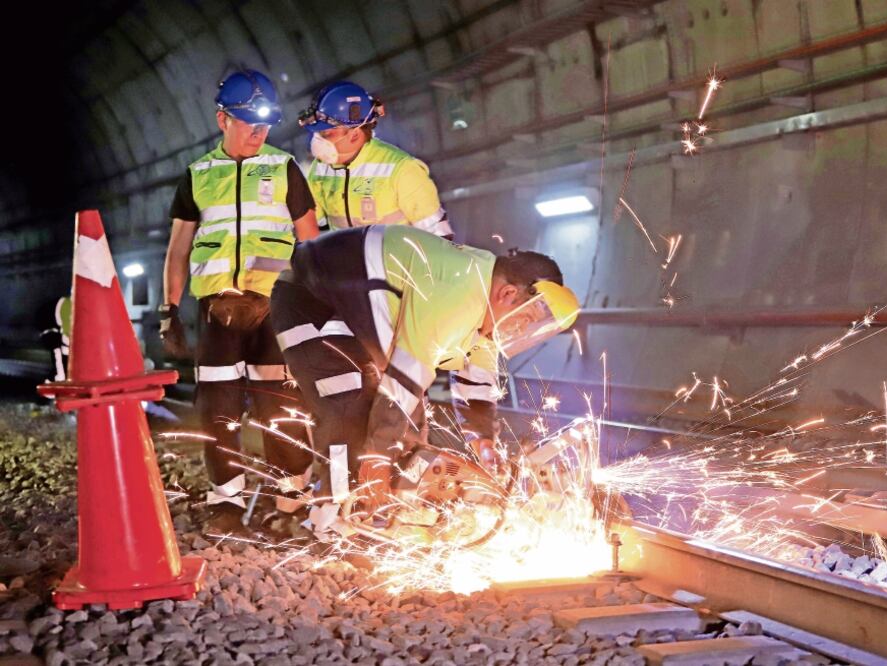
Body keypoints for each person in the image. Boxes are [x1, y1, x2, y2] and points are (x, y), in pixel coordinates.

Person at [268, 224, 578, 537]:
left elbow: (477, 389)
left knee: (409, 430)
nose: (518, 330)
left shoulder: (485, 306)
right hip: (310, 300)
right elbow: (402, 386)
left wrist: (485, 442)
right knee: (349, 408)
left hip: (356, 313)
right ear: (508, 294)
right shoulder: (458, 293)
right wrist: (376, 461)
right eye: (524, 320)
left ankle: (385, 514)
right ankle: (332, 522)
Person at [159, 69, 320, 533]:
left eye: (265, 124)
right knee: (219, 414)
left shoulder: (284, 167)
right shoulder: (198, 176)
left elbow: (311, 246)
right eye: (248, 122)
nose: (258, 133)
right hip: (218, 316)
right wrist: (168, 311)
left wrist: (312, 310)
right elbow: (179, 249)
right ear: (222, 119)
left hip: (275, 314)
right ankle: (225, 505)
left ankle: (289, 504)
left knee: (280, 409)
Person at [298, 80, 453, 237]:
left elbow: (438, 237)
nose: (317, 140)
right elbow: (314, 228)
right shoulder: (320, 169)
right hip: (345, 261)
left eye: (327, 134)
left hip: (394, 261)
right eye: (317, 134)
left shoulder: (402, 169)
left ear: (354, 135)